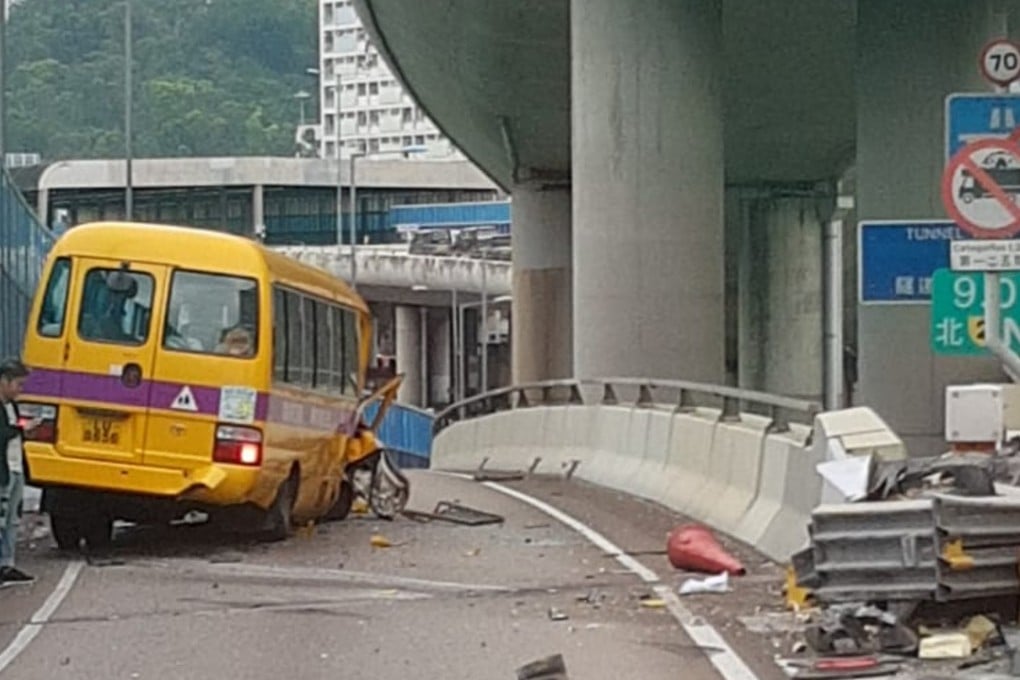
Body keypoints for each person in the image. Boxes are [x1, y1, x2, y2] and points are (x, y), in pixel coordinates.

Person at [0, 359, 38, 585]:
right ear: (4, 381)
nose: (20, 390)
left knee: (13, 519)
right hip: (3, 470)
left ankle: (7, 564)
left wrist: (23, 432)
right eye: (18, 385)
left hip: (15, 467)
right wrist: (21, 429)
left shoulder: (11, 406)